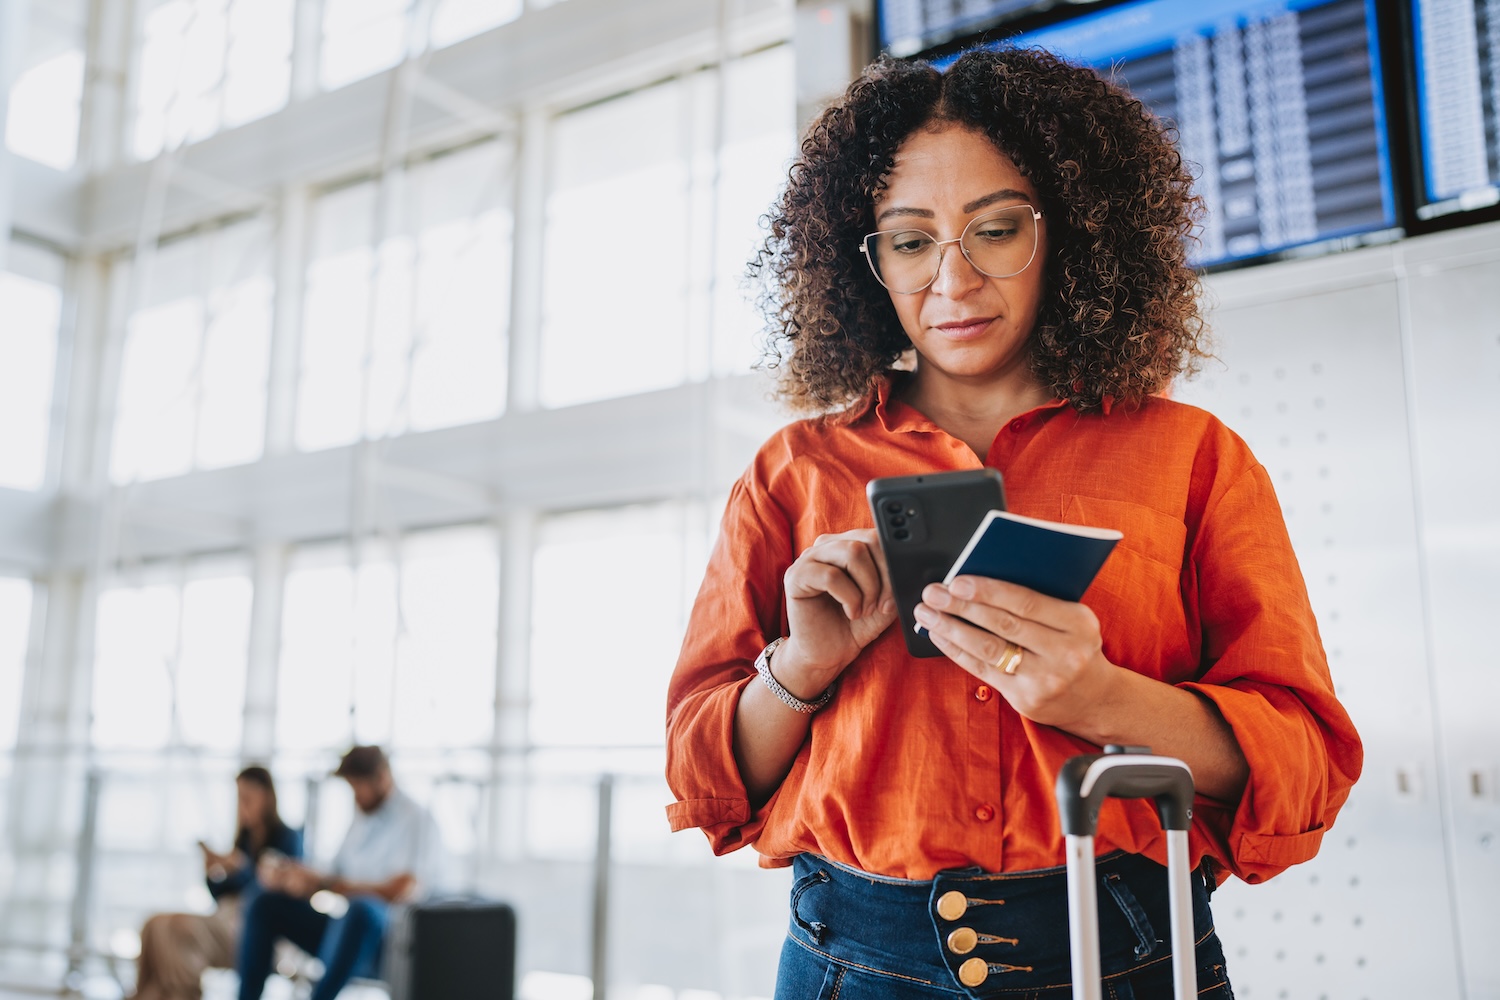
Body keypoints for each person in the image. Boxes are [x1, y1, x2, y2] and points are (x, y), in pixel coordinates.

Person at [665, 47, 1363, 999]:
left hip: (1128, 955)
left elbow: (1304, 759)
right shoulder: (793, 473)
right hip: (854, 964)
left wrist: (1102, 699)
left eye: (995, 230)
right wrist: (802, 668)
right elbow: (706, 779)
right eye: (910, 242)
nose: (952, 283)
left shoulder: (1192, 456)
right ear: (862, 260)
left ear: (1072, 233)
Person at [236, 746, 446, 1000]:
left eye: (358, 786)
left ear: (382, 777)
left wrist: (333, 884)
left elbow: (403, 890)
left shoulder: (416, 819)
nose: (355, 795)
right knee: (263, 903)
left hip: (391, 940)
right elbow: (333, 875)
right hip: (347, 930)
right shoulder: (360, 819)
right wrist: (300, 877)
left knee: (362, 910)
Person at [130, 766, 300, 1000]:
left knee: (181, 927)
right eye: (240, 798)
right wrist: (212, 872)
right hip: (227, 918)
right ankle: (147, 995)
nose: (242, 805)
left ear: (267, 797)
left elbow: (273, 899)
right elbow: (223, 895)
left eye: (248, 798)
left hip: (255, 930)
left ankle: (182, 995)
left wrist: (242, 868)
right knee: (155, 924)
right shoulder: (245, 839)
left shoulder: (288, 838)